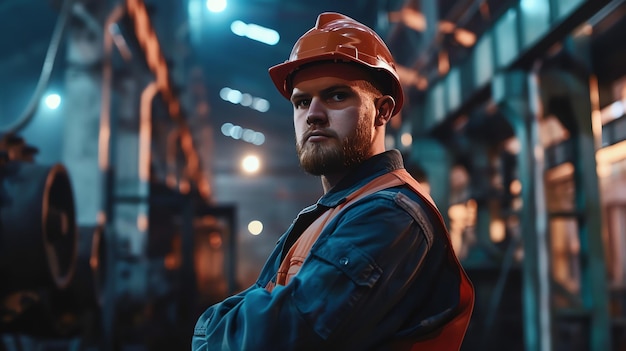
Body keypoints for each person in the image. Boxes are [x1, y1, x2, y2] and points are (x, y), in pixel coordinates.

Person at [192, 12, 474, 351]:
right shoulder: (329, 215)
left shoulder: (391, 216)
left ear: (382, 111)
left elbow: (274, 339)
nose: (312, 114)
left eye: (337, 95)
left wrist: (209, 326)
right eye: (301, 101)